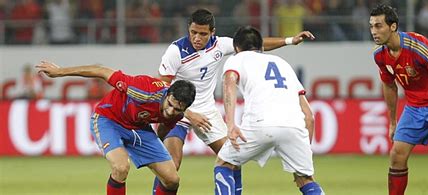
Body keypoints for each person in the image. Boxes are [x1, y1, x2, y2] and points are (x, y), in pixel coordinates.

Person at [153, 8, 315, 194]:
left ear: (212, 32)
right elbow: (162, 87)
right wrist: (186, 113)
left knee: (233, 161)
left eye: (203, 34)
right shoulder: (175, 51)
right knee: (171, 167)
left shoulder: (220, 45)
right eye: (193, 32)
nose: (197, 38)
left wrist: (289, 40)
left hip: (207, 112)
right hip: (179, 111)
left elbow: (254, 46)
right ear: (188, 29)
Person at [35, 60, 196, 195]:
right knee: (121, 167)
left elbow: (162, 129)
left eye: (177, 109)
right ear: (167, 94)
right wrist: (60, 72)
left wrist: (154, 148)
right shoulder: (142, 89)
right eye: (170, 105)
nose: (171, 111)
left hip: (138, 128)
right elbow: (100, 71)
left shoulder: (177, 113)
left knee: (172, 179)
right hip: (108, 120)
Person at [214, 26, 323, 195]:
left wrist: (230, 124)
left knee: (224, 163)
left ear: (236, 48)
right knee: (305, 179)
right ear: (262, 47)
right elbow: (309, 116)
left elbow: (229, 81)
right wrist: (302, 148)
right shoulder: (283, 63)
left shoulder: (237, 59)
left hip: (260, 124)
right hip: (294, 127)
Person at [369, 4, 428, 195]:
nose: (373, 31)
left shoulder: (418, 47)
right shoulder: (380, 56)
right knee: (396, 155)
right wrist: (393, 121)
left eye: (378, 26)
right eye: (371, 26)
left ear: (393, 26)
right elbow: (389, 85)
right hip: (414, 107)